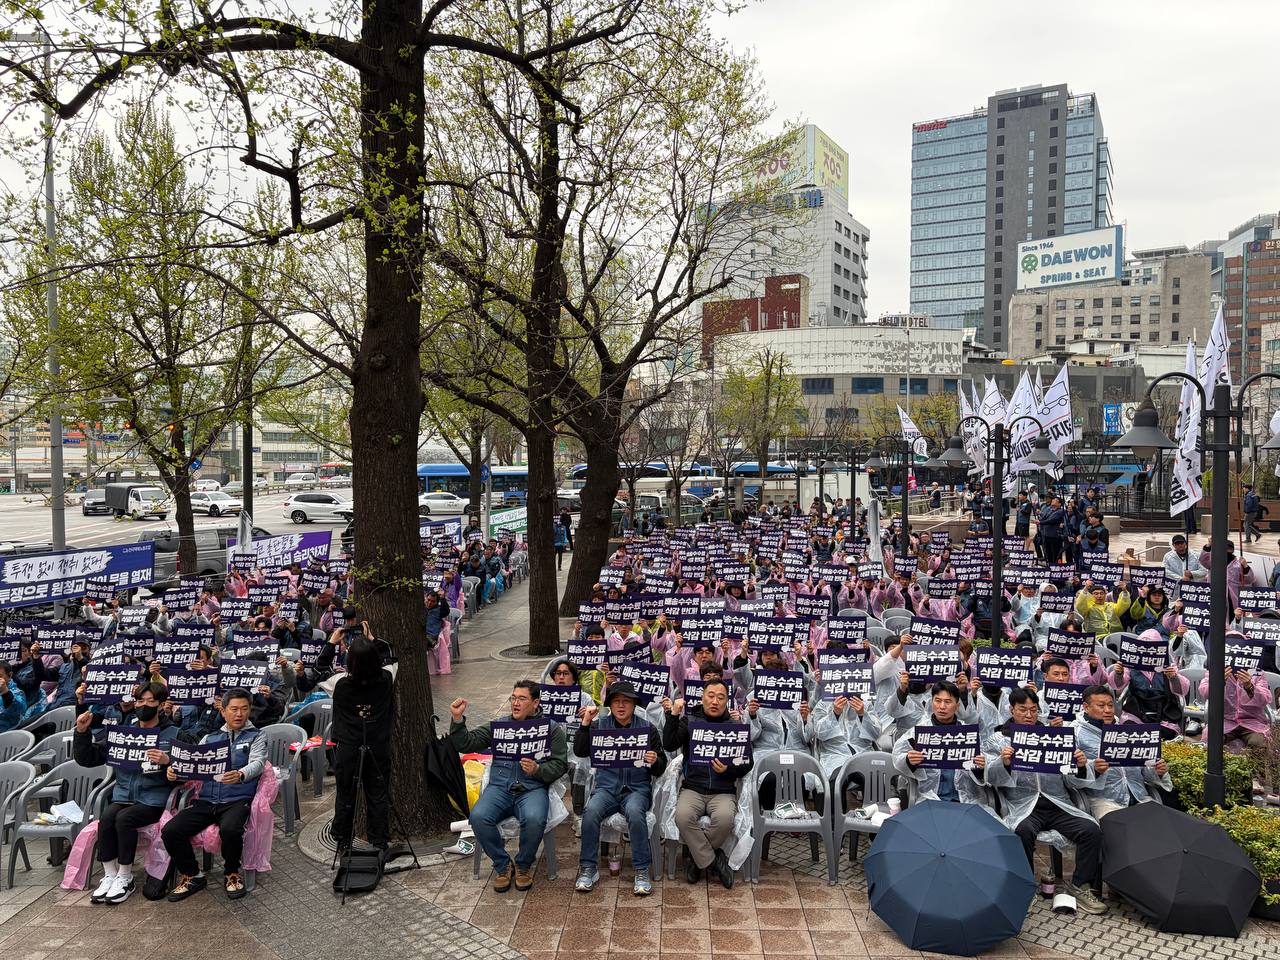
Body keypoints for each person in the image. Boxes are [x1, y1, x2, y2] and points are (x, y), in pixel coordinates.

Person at [982, 688, 1106, 914]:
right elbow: (989, 776)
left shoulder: (1054, 737)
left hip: (1057, 802)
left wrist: (1080, 766)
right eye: (1023, 710)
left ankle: (1080, 885)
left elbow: (1071, 780)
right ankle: (1023, 886)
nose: (1029, 715)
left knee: (1091, 830)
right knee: (1023, 831)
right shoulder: (999, 739)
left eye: (1033, 710)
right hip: (1023, 805)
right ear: (1011, 710)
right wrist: (1004, 763)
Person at [449, 682, 569, 892]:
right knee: (478, 817)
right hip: (499, 788)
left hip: (532, 788)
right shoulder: (500, 726)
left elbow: (560, 765)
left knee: (535, 818)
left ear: (535, 703)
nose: (515, 703)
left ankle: (523, 865)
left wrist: (538, 770)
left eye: (522, 699)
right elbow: (466, 743)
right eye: (513, 698)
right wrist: (458, 719)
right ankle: (503, 865)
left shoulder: (551, 729)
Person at [73, 681, 177, 904]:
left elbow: (187, 770)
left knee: (124, 819)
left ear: (160, 705)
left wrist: (169, 761)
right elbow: (89, 758)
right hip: (123, 795)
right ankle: (110, 874)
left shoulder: (174, 734)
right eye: (140, 701)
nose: (143, 705)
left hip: (154, 798)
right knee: (107, 818)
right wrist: (81, 732)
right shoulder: (122, 733)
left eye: (150, 701)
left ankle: (125, 876)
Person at [161, 688, 267, 901]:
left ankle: (232, 873)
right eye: (234, 709)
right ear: (223, 710)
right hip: (206, 800)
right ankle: (193, 875)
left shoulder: (257, 735)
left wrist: (240, 774)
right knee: (171, 830)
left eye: (244, 709)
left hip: (237, 799)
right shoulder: (210, 738)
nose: (239, 714)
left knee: (230, 829)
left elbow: (258, 762)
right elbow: (193, 764)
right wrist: (175, 772)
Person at [572, 681, 665, 896]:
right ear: (610, 705)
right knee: (590, 812)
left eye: (626, 701)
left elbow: (661, 767)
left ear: (634, 705)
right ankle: (588, 867)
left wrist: (655, 760)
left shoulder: (647, 729)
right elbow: (580, 751)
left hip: (637, 789)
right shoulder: (599, 726)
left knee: (635, 813)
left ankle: (641, 870)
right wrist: (585, 723)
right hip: (606, 788)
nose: (621, 706)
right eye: (616, 702)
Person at [662, 678, 752, 889]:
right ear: (702, 698)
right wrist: (673, 715)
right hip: (693, 788)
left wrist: (728, 769)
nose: (715, 701)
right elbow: (669, 744)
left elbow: (748, 763)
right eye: (710, 696)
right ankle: (714, 860)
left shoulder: (736, 727)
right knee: (682, 817)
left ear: (727, 701)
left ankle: (697, 860)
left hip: (723, 791)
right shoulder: (690, 721)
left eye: (720, 697)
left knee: (725, 820)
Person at [330, 636, 395, 854]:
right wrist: (374, 639)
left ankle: (343, 840)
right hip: (378, 746)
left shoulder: (340, 685)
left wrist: (331, 643)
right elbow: (391, 656)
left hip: (349, 748)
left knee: (346, 794)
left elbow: (319, 669)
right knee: (377, 794)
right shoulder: (386, 679)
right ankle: (379, 841)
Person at [1072, 685, 1171, 818]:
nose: (1107, 710)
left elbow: (1144, 770)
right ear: (1086, 707)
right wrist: (1092, 769)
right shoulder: (1075, 734)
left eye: (1110, 705)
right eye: (1101, 706)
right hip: (1104, 802)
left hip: (1140, 797)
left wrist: (1157, 771)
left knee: (1167, 823)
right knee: (1125, 829)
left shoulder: (1128, 732)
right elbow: (1070, 779)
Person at [893, 681, 986, 803]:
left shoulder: (968, 734)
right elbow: (897, 756)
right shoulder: (919, 733)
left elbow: (986, 769)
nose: (942, 706)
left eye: (947, 702)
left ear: (957, 705)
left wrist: (980, 766)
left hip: (965, 799)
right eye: (937, 701)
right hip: (930, 798)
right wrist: (908, 760)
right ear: (932, 702)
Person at [0, 661, 27, 732]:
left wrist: (5, 692)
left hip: (7, 732)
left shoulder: (17, 692)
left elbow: (20, 709)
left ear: (10, 675)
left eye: (0, 676)